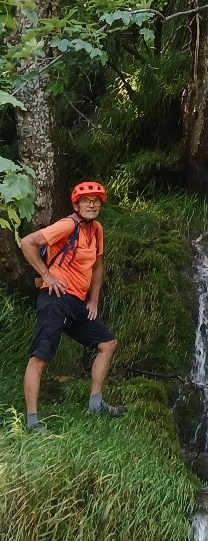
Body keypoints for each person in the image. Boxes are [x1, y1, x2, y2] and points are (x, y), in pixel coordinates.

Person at [19, 181, 125, 431]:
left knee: (107, 344)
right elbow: (27, 243)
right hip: (56, 298)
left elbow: (97, 266)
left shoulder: (97, 229)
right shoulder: (68, 225)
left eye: (96, 201)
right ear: (76, 205)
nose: (92, 204)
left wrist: (94, 300)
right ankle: (32, 421)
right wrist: (46, 275)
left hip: (77, 301)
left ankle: (96, 404)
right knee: (40, 357)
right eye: (86, 201)